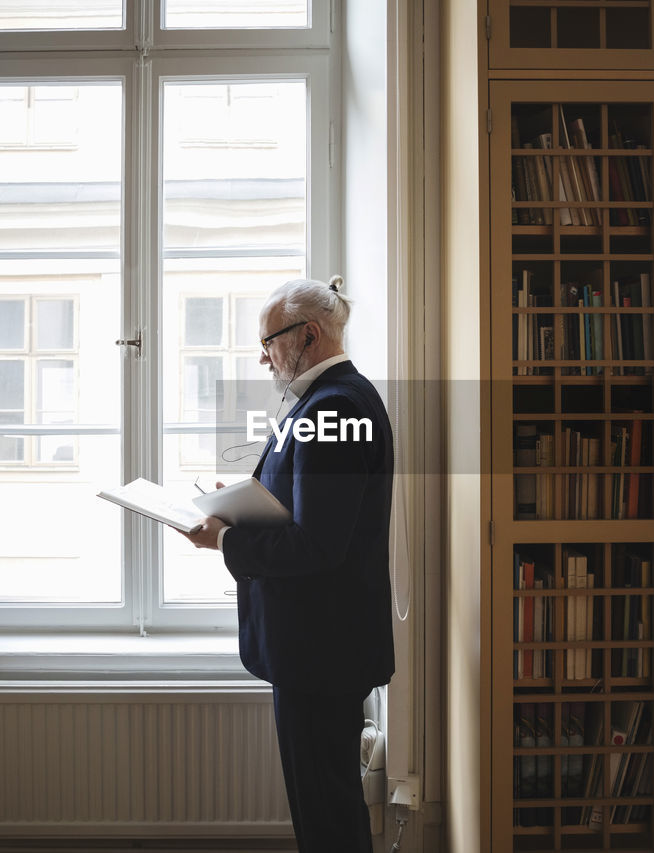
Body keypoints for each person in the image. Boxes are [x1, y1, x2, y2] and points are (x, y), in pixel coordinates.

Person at [184, 275, 395, 853]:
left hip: (319, 649)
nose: (262, 356)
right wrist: (241, 507)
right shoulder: (335, 400)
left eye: (269, 340)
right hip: (324, 644)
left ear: (308, 335)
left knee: (324, 809)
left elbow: (318, 545)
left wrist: (224, 540)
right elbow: (311, 516)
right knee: (325, 800)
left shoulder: (334, 408)